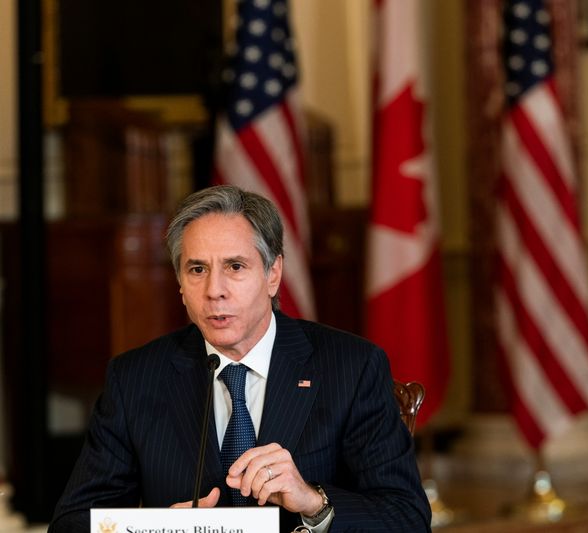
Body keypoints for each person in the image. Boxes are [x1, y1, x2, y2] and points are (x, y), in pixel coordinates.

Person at [49, 185, 432, 532]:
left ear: (273, 274)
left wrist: (313, 502)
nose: (215, 291)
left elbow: (407, 518)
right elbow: (71, 523)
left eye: (235, 267)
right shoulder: (134, 378)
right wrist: (159, 528)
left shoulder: (351, 368)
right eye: (197, 269)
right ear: (180, 285)